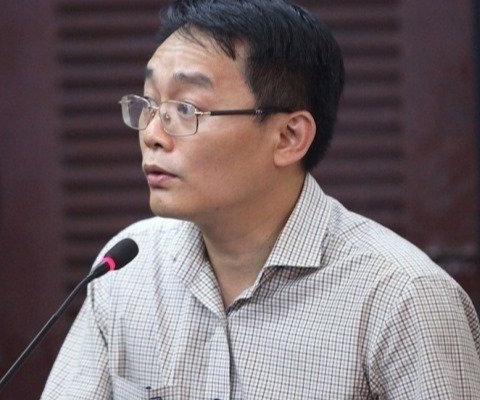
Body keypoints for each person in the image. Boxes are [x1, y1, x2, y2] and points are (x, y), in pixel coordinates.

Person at [42, 0, 480, 398]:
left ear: (289, 136)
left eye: (186, 109)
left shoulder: (403, 297)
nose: (152, 135)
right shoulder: (128, 270)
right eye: (150, 104)